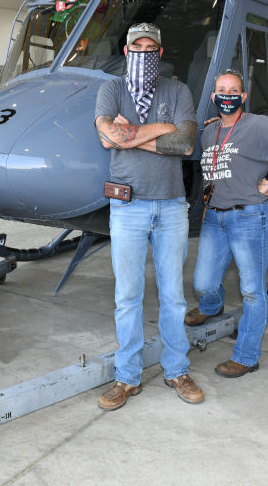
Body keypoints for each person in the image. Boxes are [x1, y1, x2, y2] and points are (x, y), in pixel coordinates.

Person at [93, 22, 202, 410]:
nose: (143, 52)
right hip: (127, 207)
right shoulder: (112, 89)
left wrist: (132, 133)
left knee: (173, 297)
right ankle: (128, 377)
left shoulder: (177, 89)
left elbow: (186, 141)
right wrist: (161, 131)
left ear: (159, 52)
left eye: (149, 47)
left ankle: (177, 370)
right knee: (128, 296)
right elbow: (107, 136)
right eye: (135, 46)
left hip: (171, 205)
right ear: (126, 52)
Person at [184, 70, 268, 378]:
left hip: (249, 218)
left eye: (234, 90)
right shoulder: (209, 132)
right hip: (215, 216)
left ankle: (246, 356)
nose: (227, 95)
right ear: (214, 97)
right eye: (221, 90)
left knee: (252, 291)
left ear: (243, 97)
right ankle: (211, 306)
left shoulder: (259, 126)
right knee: (203, 283)